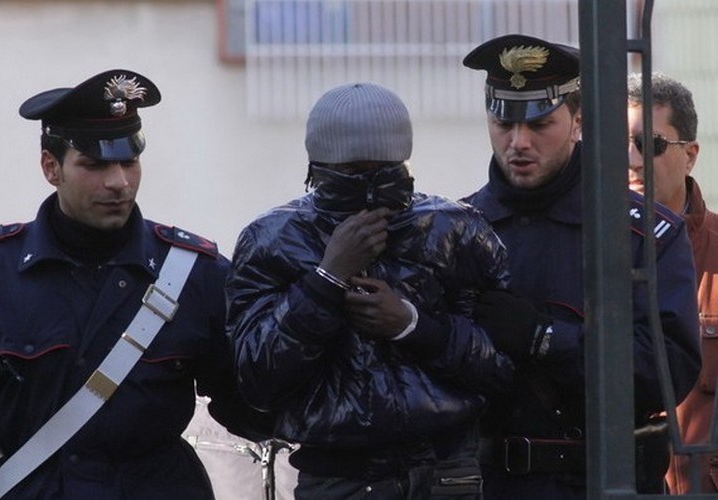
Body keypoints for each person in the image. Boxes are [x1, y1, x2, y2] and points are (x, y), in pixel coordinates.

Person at [0, 69, 269, 499]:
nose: (119, 182)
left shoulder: (195, 274)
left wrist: (309, 310)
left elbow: (255, 408)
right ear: (51, 167)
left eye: (129, 161)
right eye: (95, 164)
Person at [226, 82, 516, 499]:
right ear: (318, 167)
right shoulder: (274, 239)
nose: (367, 184)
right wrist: (325, 281)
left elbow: (502, 367)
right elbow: (255, 380)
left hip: (444, 470)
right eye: (350, 171)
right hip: (338, 476)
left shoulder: (455, 230)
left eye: (382, 170)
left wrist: (412, 326)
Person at [461, 34, 701, 499]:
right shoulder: (458, 230)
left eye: (540, 124)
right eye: (503, 123)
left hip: (601, 483)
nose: (518, 142)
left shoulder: (642, 235)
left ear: (578, 122)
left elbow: (667, 372)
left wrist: (545, 338)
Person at [627, 71, 718, 494]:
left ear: (690, 155)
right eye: (615, 145)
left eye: (649, 144)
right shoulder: (576, 252)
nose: (631, 159)